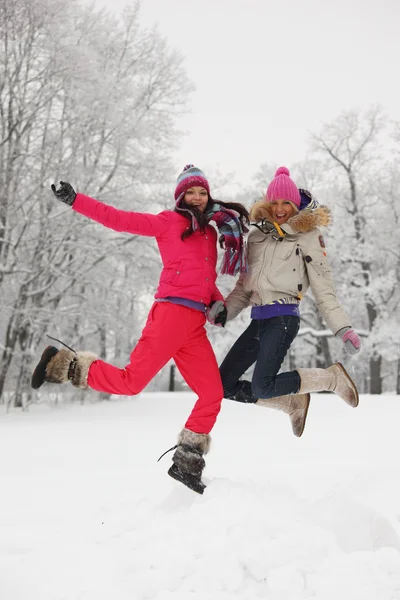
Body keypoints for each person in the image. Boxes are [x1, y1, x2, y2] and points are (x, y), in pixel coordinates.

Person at [31, 165, 249, 494]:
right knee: (131, 383)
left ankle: (187, 463)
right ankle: (62, 363)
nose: (198, 198)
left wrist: (216, 303)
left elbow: (206, 282)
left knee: (212, 393)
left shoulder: (210, 233)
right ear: (181, 196)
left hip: (193, 326)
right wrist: (76, 200)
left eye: (202, 192)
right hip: (170, 316)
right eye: (191, 192)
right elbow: (119, 218)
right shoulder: (167, 222)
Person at [216, 166, 361, 437]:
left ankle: (331, 378)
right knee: (222, 385)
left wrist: (342, 328)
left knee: (262, 386)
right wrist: (224, 311)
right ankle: (291, 402)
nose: (280, 208)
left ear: (296, 204)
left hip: (283, 319)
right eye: (275, 202)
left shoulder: (307, 237)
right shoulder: (257, 236)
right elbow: (243, 288)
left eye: (287, 203)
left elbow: (323, 287)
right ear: (267, 203)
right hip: (257, 321)